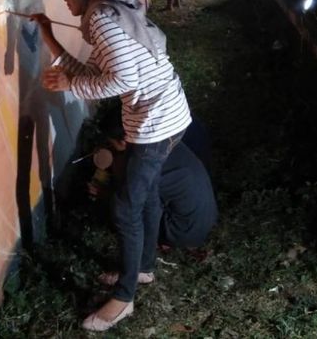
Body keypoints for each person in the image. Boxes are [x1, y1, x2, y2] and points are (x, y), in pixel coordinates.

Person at [31, 0, 191, 332]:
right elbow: (101, 72)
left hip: (155, 125)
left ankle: (124, 297)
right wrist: (50, 37)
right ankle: (144, 268)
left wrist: (70, 85)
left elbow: (118, 81)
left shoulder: (102, 19)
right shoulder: (112, 13)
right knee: (146, 195)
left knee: (125, 207)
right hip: (170, 116)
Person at [86, 106, 218, 257]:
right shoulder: (160, 137)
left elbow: (130, 203)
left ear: (124, 140)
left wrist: (105, 194)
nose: (110, 147)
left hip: (183, 230)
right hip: (203, 218)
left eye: (111, 143)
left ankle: (153, 250)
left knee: (122, 212)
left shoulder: (144, 164)